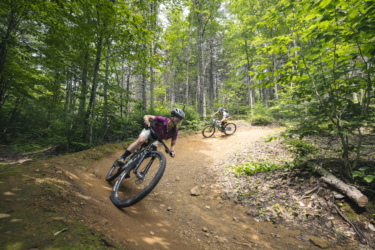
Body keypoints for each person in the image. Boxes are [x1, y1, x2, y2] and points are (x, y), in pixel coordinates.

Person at [116, 108, 185, 167]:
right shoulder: (163, 120)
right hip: (150, 131)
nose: (179, 121)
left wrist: (172, 151)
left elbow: (173, 144)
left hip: (156, 139)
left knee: (148, 152)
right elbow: (147, 116)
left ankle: (129, 166)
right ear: (172, 116)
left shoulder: (174, 131)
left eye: (180, 120)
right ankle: (122, 157)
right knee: (141, 140)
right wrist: (146, 120)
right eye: (178, 118)